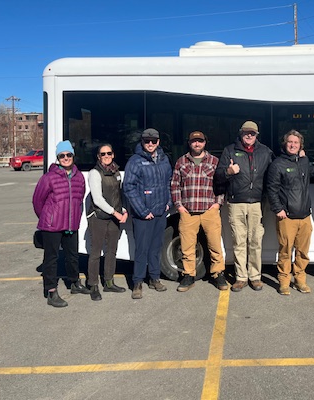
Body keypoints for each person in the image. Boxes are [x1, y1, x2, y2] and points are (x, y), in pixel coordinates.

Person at [215, 120, 273, 292]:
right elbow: (218, 176)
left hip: (256, 203)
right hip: (236, 203)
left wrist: (298, 156)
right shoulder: (230, 150)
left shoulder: (265, 152)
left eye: (253, 133)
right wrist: (228, 172)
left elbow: (276, 172)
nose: (249, 135)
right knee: (239, 241)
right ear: (241, 133)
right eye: (246, 132)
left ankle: (255, 277)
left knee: (255, 241)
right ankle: (241, 277)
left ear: (257, 135)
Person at [32, 140, 89, 307]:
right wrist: (46, 217)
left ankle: (74, 283)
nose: (66, 158)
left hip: (71, 223)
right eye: (62, 155)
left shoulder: (79, 177)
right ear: (58, 158)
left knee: (72, 255)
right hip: (52, 225)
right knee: (52, 258)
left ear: (73, 155)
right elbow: (37, 201)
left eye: (68, 155)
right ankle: (51, 291)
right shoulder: (48, 177)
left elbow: (79, 199)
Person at [170, 131, 228, 292]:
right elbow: (175, 185)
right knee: (187, 247)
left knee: (215, 245)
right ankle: (189, 275)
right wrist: (179, 206)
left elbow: (221, 184)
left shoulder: (215, 162)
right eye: (194, 141)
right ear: (189, 143)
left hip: (209, 211)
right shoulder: (181, 162)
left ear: (205, 143)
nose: (197, 144)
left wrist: (218, 204)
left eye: (200, 141)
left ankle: (218, 274)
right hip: (188, 212)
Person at [123, 128, 172, 299]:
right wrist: (142, 211)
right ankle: (137, 282)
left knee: (156, 248)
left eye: (153, 141)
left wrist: (168, 203)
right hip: (143, 215)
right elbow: (128, 187)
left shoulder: (164, 160)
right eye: (146, 141)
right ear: (142, 142)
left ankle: (154, 278)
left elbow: (168, 183)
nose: (150, 144)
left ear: (158, 142)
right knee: (142, 249)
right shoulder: (135, 161)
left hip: (160, 213)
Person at [266, 130, 312, 295]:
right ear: (284, 144)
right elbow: (271, 189)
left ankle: (300, 280)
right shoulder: (277, 164)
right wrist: (278, 209)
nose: (293, 145)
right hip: (287, 217)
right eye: (290, 142)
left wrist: (304, 157)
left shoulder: (304, 161)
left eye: (296, 143)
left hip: (305, 215)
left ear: (301, 146)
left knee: (303, 252)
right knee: (285, 251)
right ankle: (284, 282)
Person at [86, 143, 128, 301]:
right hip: (98, 217)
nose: (106, 156)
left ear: (113, 154)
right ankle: (93, 285)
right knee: (96, 252)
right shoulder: (94, 173)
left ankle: (109, 282)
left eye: (109, 153)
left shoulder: (116, 171)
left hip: (114, 217)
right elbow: (97, 199)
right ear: (98, 156)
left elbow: (119, 194)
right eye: (103, 154)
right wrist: (116, 213)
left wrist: (124, 210)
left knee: (111, 251)